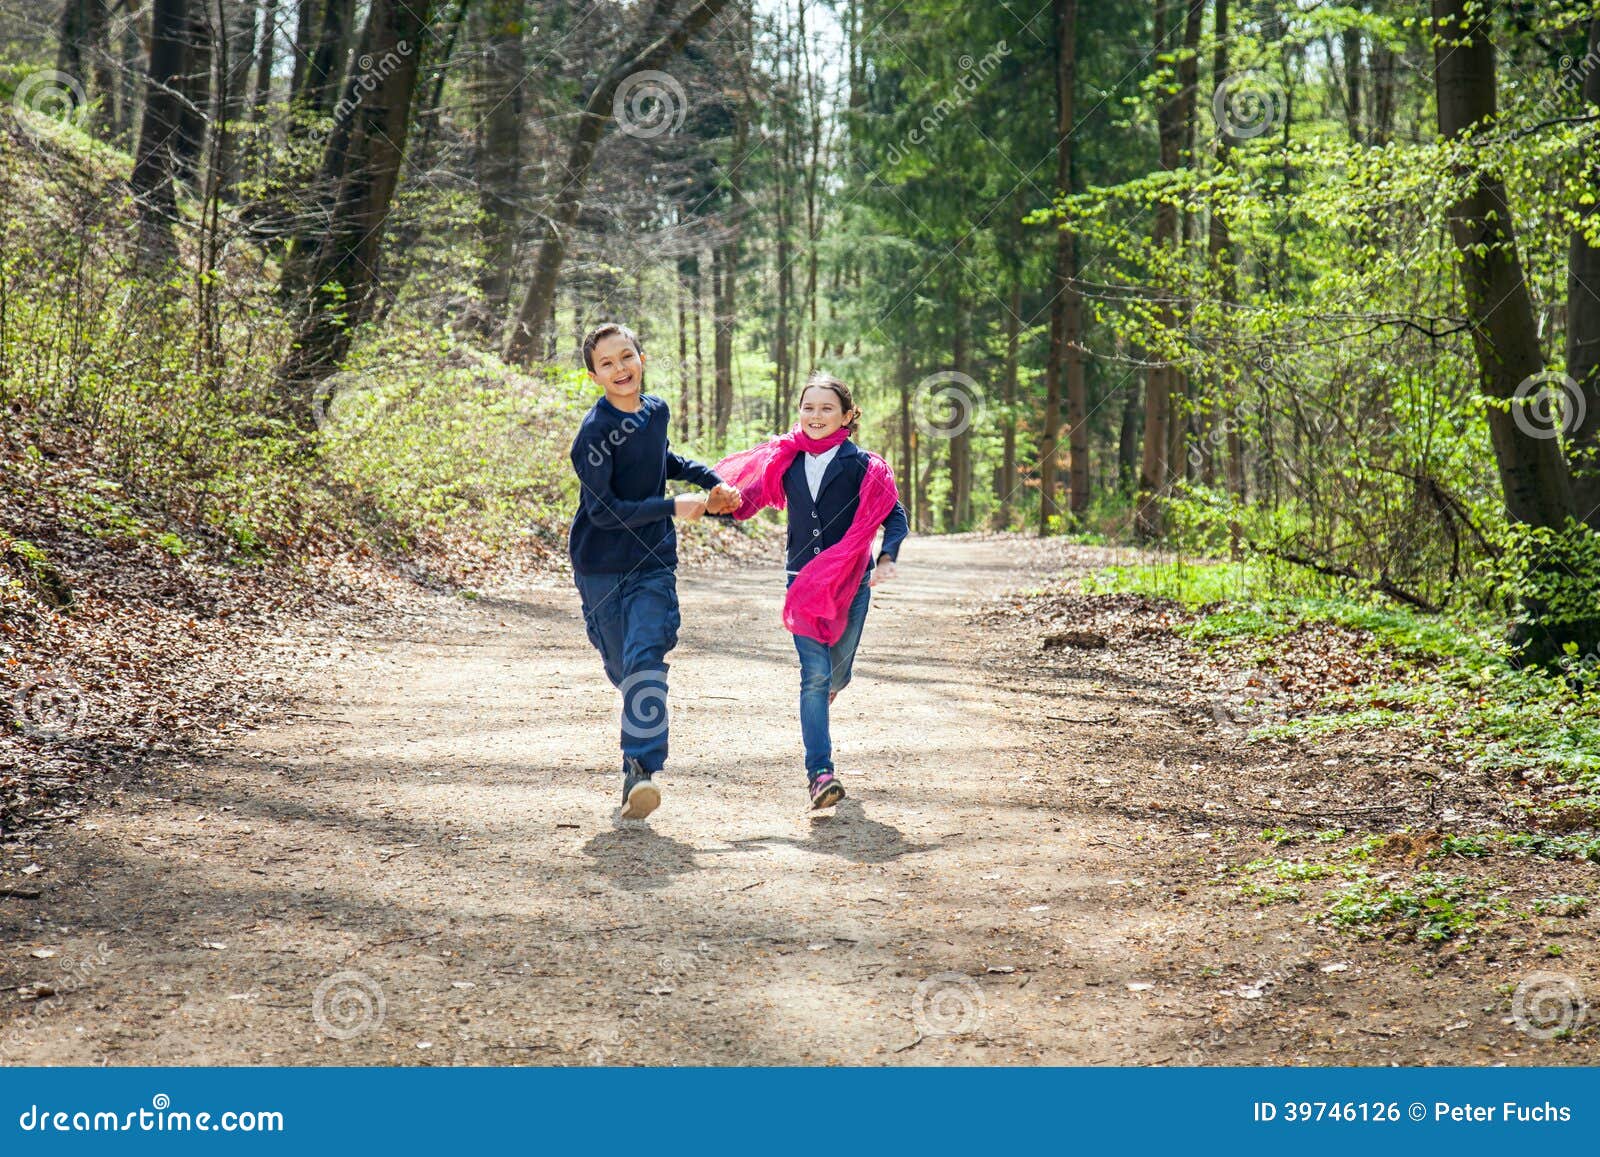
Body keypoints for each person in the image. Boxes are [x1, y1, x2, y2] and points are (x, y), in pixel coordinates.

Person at [568, 322, 740, 820]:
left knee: (646, 662)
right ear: (595, 374)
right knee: (624, 669)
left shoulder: (654, 410)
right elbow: (603, 510)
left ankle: (640, 770)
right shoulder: (594, 433)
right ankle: (635, 754)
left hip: (653, 563)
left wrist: (712, 479)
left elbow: (659, 458)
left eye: (627, 356)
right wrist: (673, 508)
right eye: (608, 363)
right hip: (599, 565)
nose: (621, 368)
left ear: (641, 357)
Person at [715, 372, 908, 809]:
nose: (815, 416)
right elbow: (746, 502)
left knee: (835, 674)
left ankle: (836, 684)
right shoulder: (785, 460)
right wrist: (705, 507)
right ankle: (820, 773)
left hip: (851, 584)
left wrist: (887, 556)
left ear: (846, 416)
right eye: (808, 407)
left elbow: (895, 517)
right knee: (814, 676)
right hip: (801, 582)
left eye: (826, 408)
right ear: (799, 411)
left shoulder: (865, 467)